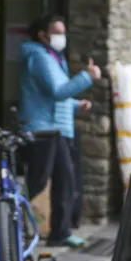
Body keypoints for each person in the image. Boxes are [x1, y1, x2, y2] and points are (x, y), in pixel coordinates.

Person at [18, 14, 101, 248]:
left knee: (65, 180)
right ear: (42, 35)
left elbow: (57, 97)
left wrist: (77, 105)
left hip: (55, 128)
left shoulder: (53, 57)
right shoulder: (40, 57)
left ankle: (60, 232)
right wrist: (88, 76)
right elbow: (57, 91)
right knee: (38, 180)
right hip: (41, 129)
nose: (61, 37)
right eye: (57, 32)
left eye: (63, 32)